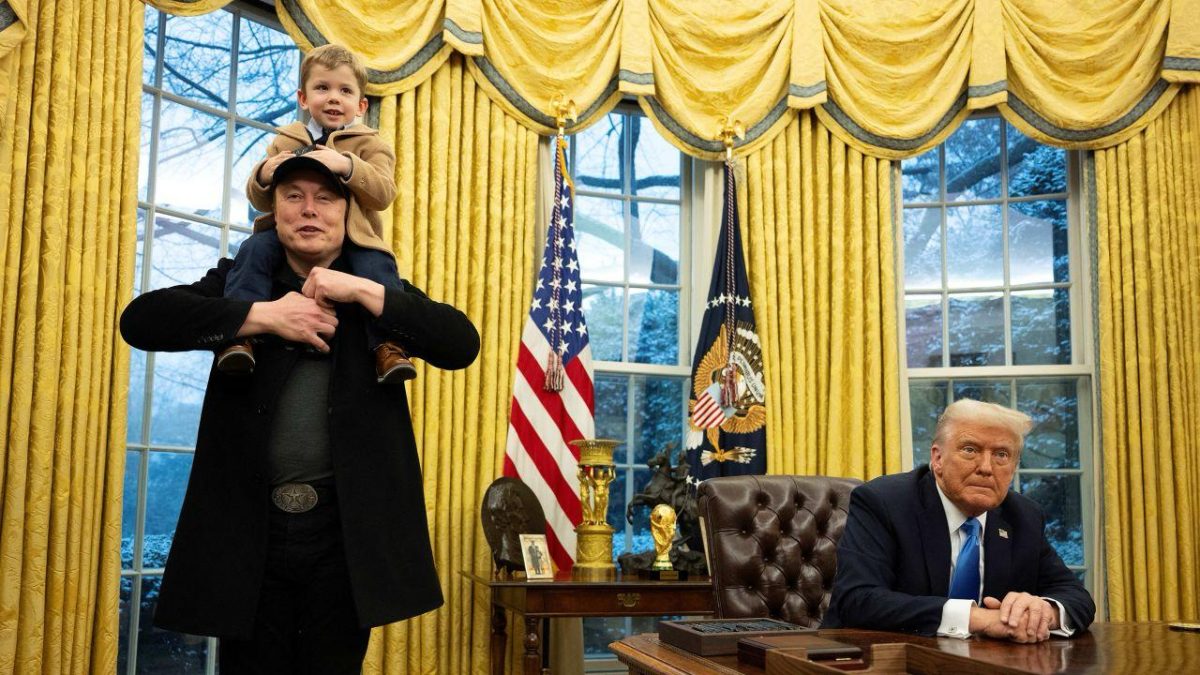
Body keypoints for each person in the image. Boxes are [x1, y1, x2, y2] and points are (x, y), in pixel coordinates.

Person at [119, 154, 480, 673]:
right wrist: (262, 315)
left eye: (325, 198)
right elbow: (141, 321)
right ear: (276, 212)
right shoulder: (240, 279)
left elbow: (460, 344)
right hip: (249, 534)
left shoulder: (376, 287)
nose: (309, 210)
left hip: (345, 538)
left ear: (347, 212)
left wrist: (361, 290)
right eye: (293, 196)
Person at [218, 43, 416, 383]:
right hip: (287, 238)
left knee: (377, 267)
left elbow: (384, 193)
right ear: (303, 98)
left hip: (355, 238)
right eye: (322, 88)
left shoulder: (371, 145)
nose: (334, 98)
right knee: (253, 250)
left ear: (361, 105)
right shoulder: (287, 139)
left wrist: (348, 165)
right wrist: (266, 173)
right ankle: (240, 337)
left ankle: (387, 346)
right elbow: (261, 198)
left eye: (345, 90)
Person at [822, 399, 1094, 642]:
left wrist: (1041, 612)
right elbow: (858, 600)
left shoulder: (1023, 516)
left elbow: (1076, 596)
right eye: (970, 450)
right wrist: (978, 619)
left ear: (1013, 468)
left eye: (1001, 455)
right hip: (875, 661)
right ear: (937, 459)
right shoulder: (883, 502)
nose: (986, 468)